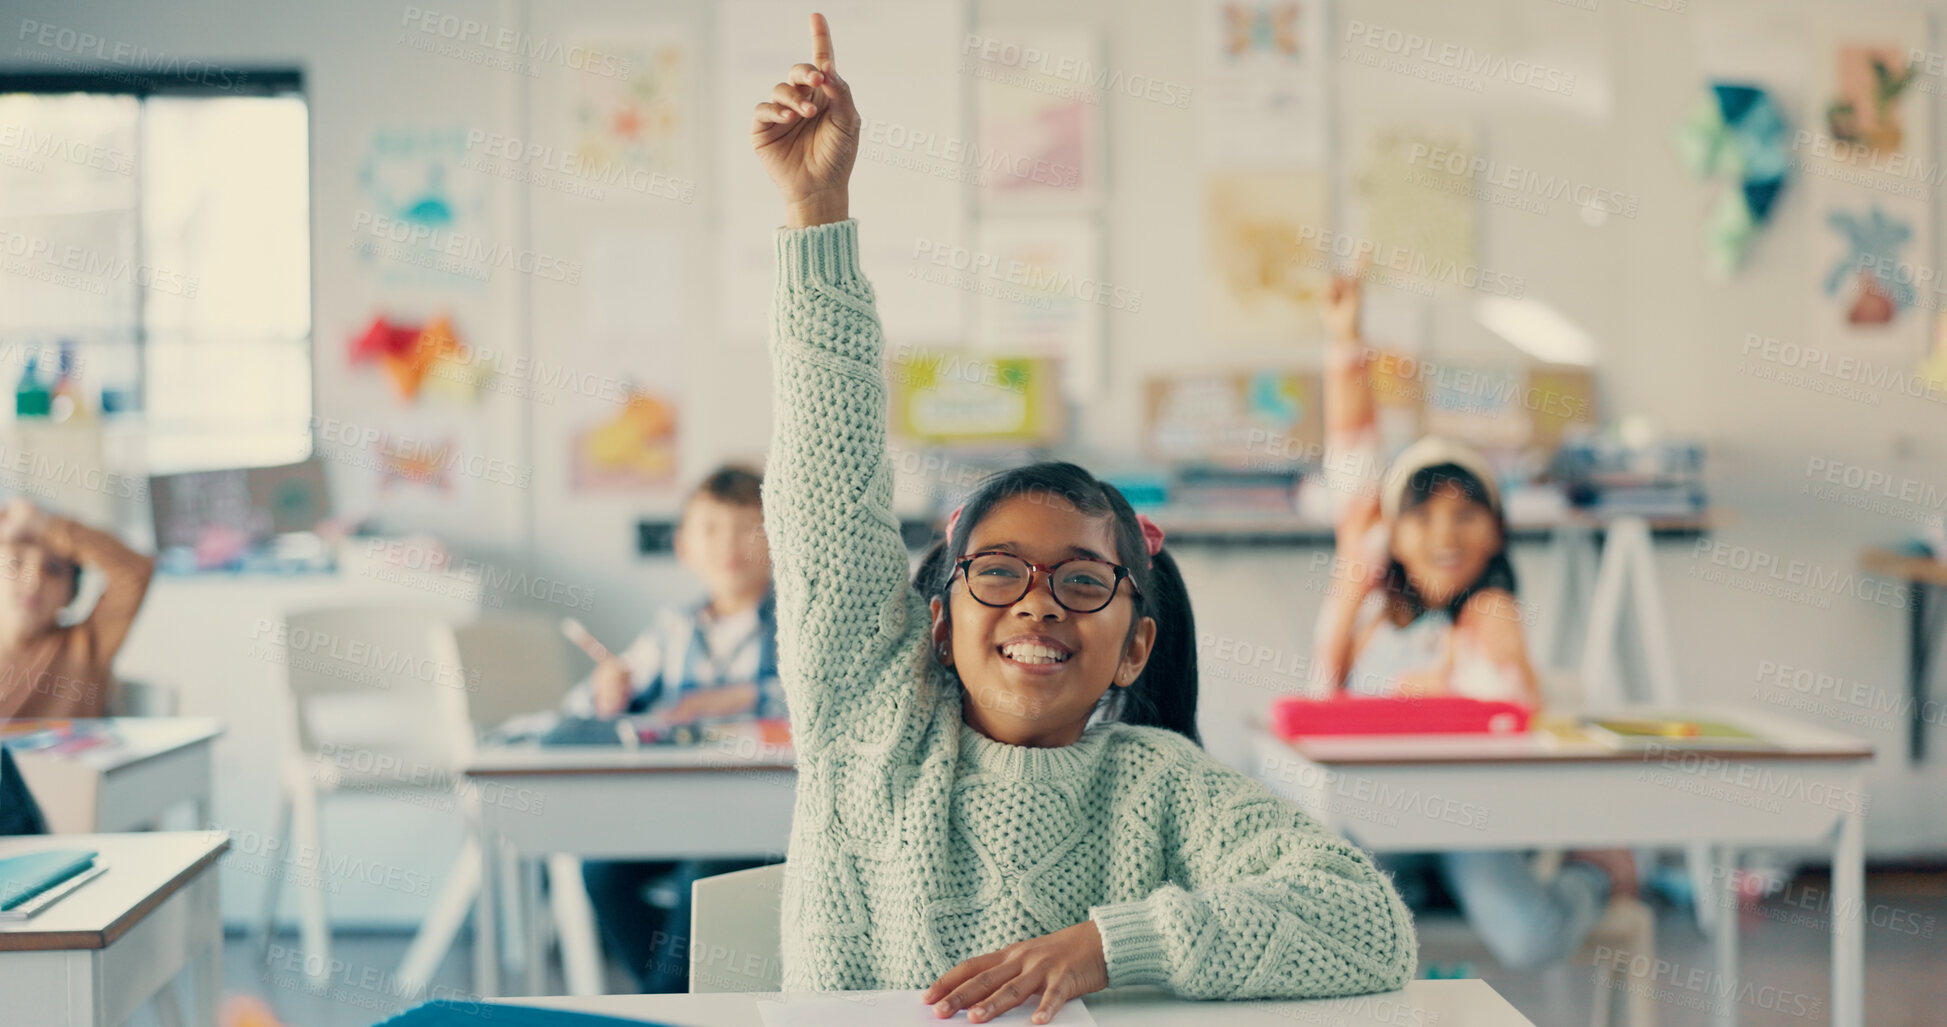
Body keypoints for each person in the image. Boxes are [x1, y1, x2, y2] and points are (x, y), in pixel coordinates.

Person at [750, 17, 1415, 1024]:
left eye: (1081, 580)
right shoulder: (868, 726)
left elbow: (1371, 925)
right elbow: (822, 485)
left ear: (1135, 644)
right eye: (1000, 571)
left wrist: (1115, 944)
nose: (1038, 603)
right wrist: (817, 211)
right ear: (939, 618)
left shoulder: (1161, 786)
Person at [1309, 263, 1636, 971]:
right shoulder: (1366, 600)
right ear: (1390, 533)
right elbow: (1353, 458)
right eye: (1421, 515)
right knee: (1336, 925)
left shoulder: (1490, 615)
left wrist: (1502, 660)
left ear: (1495, 533)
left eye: (1465, 513)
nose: (1443, 534)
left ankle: (1594, 869)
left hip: (1467, 824)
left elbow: (1517, 711)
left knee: (1530, 935)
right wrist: (1345, 343)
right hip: (1372, 825)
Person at [564, 465, 785, 993]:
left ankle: (665, 1006)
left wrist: (747, 696)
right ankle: (662, 1000)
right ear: (685, 546)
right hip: (678, 810)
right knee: (600, 870)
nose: (729, 544)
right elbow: (588, 706)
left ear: (779, 539)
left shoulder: (794, 623)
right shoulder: (673, 629)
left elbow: (824, 699)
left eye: (747, 527)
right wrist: (610, 692)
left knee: (701, 878)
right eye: (711, 529)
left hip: (763, 814)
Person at [0, 498, 155, 718]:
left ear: (71, 593)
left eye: (53, 569)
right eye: (16, 563)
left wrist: (45, 525)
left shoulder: (87, 645)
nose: (33, 582)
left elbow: (135, 572)